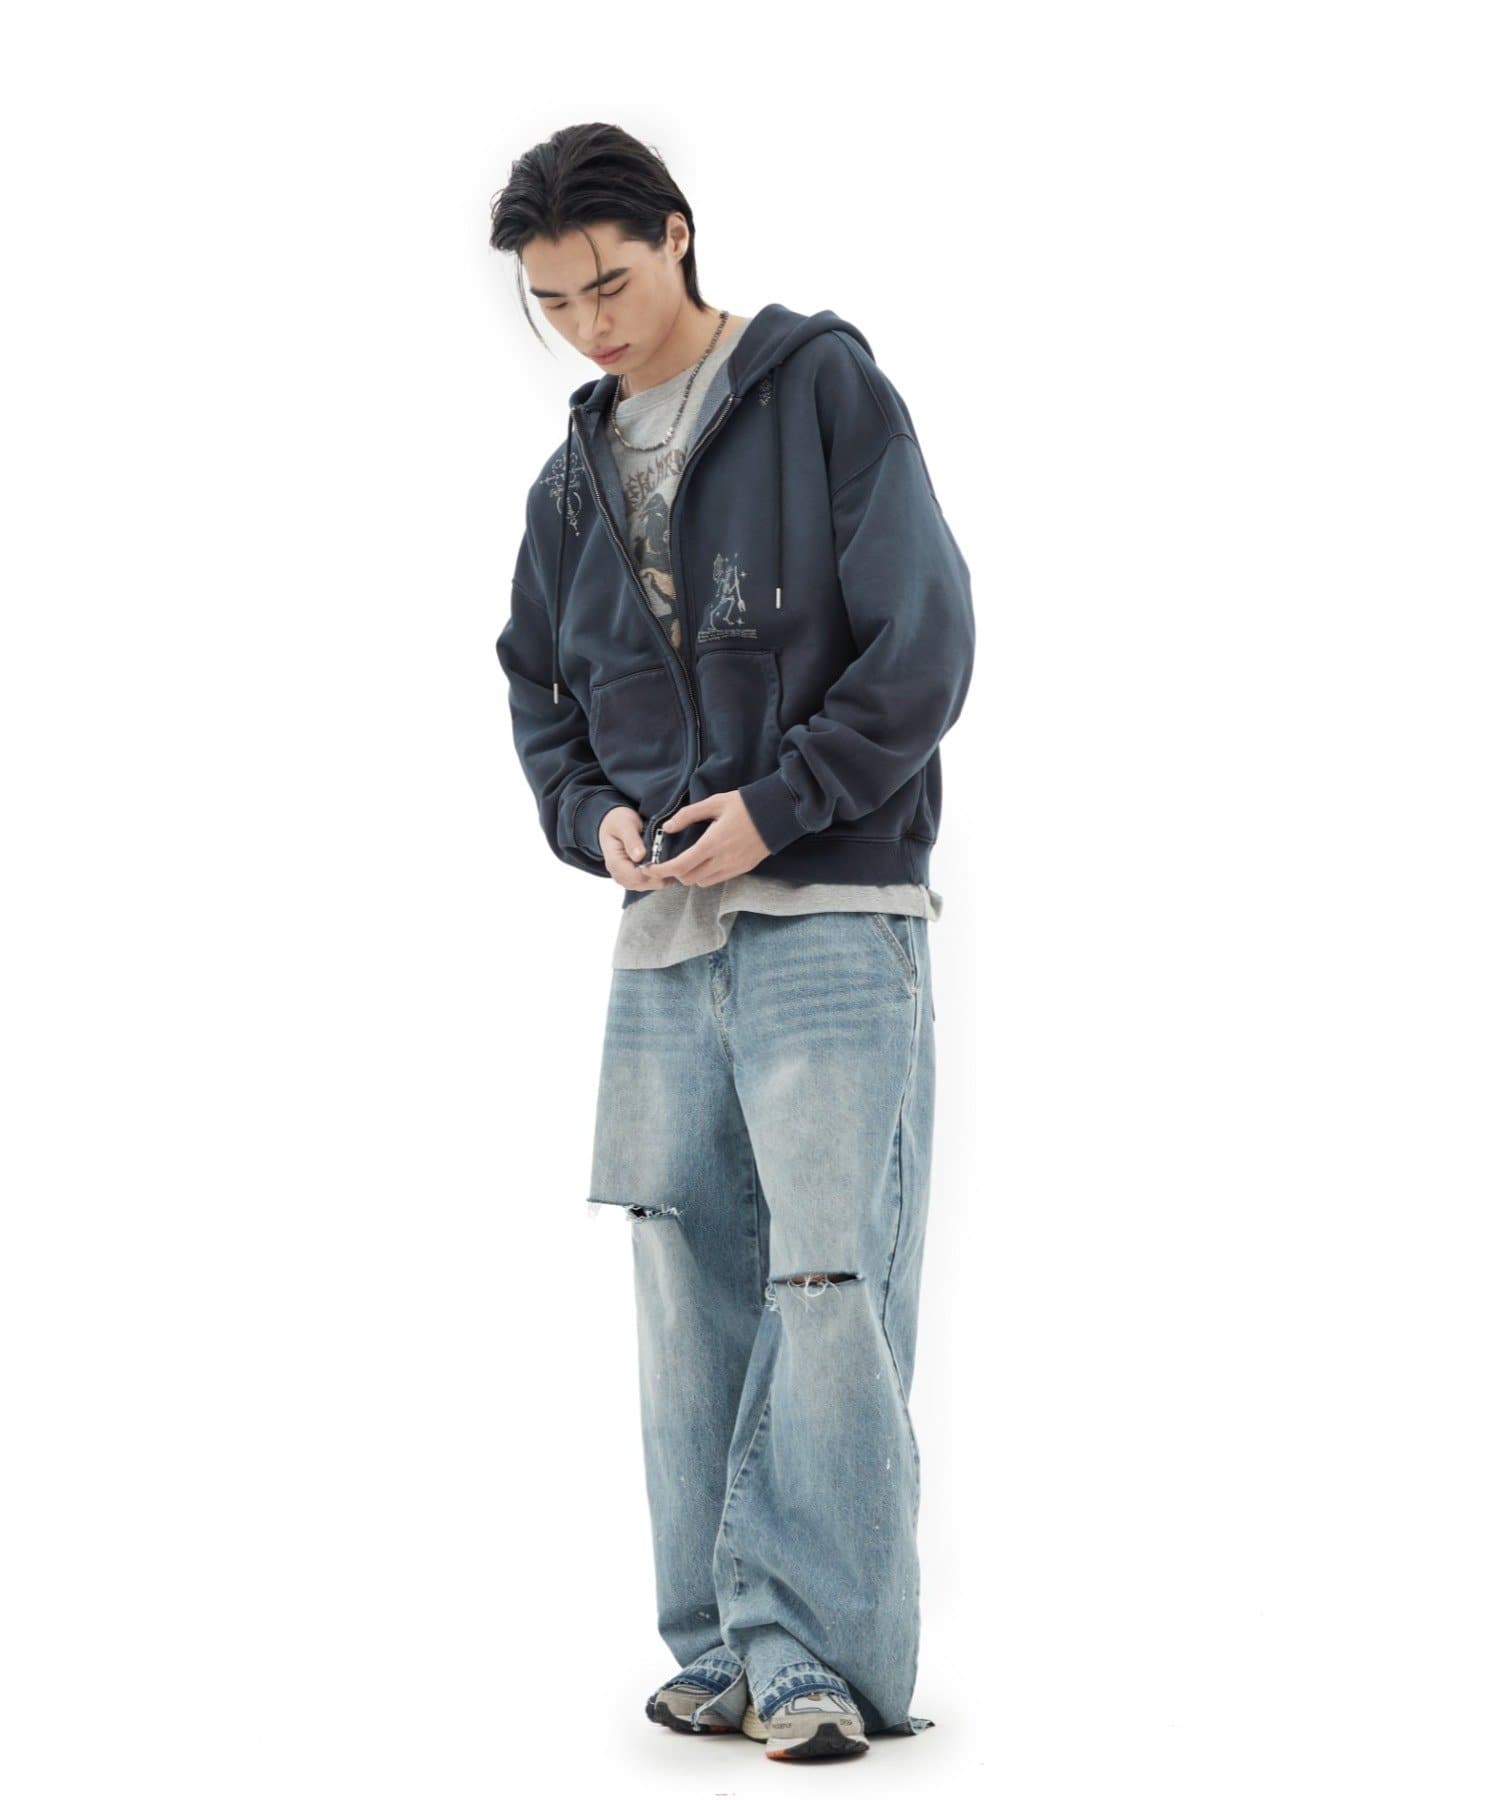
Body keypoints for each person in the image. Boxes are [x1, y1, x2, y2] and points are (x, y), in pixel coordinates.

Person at [490, 122, 975, 1761]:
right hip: (663, 939)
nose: (588, 326)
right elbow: (539, 691)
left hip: (831, 907)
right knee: (684, 1285)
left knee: (828, 1280)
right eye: (554, 302)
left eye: (609, 284)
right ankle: (717, 1643)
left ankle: (817, 1656)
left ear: (679, 236)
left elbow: (925, 640)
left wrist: (784, 804)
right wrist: (594, 824)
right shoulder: (570, 481)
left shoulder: (820, 388)